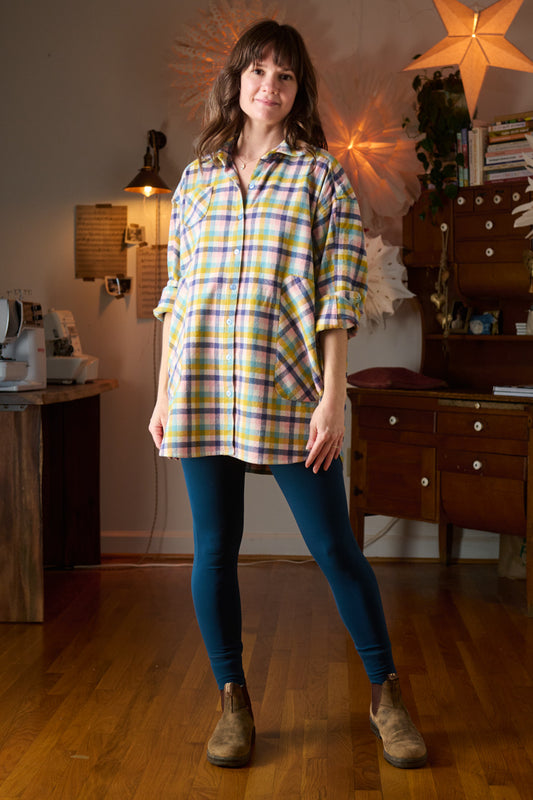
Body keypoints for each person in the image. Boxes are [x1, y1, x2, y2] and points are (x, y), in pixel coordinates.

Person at [149, 19, 427, 771]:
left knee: (335, 547)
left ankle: (385, 695)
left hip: (286, 386)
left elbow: (337, 292)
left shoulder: (319, 175)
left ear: (298, 92)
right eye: (258, 72)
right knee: (213, 550)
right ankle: (231, 699)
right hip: (203, 381)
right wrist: (162, 389)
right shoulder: (197, 180)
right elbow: (176, 293)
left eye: (285, 77)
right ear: (235, 79)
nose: (269, 86)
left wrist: (331, 397)